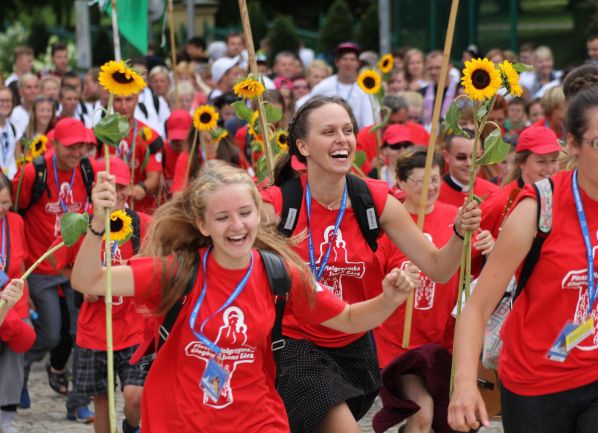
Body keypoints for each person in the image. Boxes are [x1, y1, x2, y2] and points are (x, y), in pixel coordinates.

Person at [71, 160, 417, 433]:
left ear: (259, 214)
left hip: (257, 419)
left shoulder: (280, 273)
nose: (237, 226)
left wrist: (388, 299)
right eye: (222, 218)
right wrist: (98, 226)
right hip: (180, 420)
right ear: (203, 225)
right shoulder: (177, 270)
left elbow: (350, 319)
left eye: (245, 213)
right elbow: (89, 280)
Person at [448, 64, 598, 433]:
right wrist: (463, 385)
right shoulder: (537, 209)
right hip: (533, 381)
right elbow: (477, 306)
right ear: (571, 144)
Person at [261, 96, 482, 433]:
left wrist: (458, 233)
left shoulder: (372, 200)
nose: (342, 139)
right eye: (329, 131)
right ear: (303, 146)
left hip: (355, 346)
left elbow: (438, 268)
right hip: (295, 345)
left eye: (348, 130)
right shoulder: (278, 203)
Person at [372, 148, 494, 433]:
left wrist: (490, 247)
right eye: (420, 180)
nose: (430, 187)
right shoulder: (391, 223)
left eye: (437, 179)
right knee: (422, 411)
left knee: (455, 422)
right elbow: (371, 282)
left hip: (443, 340)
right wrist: (397, 278)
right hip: (398, 345)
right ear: (400, 182)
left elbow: (478, 272)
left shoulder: (456, 219)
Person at [52, 158, 149, 433]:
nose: (115, 193)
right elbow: (58, 261)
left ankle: (132, 426)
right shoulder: (80, 224)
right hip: (96, 330)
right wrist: (82, 286)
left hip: (134, 329)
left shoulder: (141, 223)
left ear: (128, 189)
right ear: (95, 188)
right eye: (109, 186)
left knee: (135, 394)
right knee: (102, 402)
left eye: (120, 187)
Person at [13, 117, 94, 418]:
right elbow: (16, 213)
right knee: (48, 335)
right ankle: (17, 373)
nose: (77, 152)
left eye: (82, 146)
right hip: (42, 267)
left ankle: (78, 402)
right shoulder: (35, 172)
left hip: (75, 266)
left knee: (79, 335)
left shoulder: (87, 170)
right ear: (55, 143)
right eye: (71, 146)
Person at [480, 126, 561, 239]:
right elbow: (471, 248)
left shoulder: (562, 196)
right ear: (522, 163)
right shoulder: (499, 201)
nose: (550, 169)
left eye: (554, 160)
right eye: (541, 161)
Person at [0, 172, 34, 433]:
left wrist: (27, 297)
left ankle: (7, 416)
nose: (4, 209)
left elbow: (21, 261)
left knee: (17, 348)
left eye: (6, 202)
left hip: (13, 298)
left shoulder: (15, 221)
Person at [297, 43, 375, 129]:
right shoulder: (324, 85)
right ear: (337, 62)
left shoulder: (364, 89)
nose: (348, 63)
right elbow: (304, 107)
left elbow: (369, 122)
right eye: (344, 59)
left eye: (352, 60)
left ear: (358, 63)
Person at [438, 131, 500, 208]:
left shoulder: (494, 193)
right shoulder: (432, 193)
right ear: (446, 156)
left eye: (475, 158)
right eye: (461, 157)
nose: (469, 163)